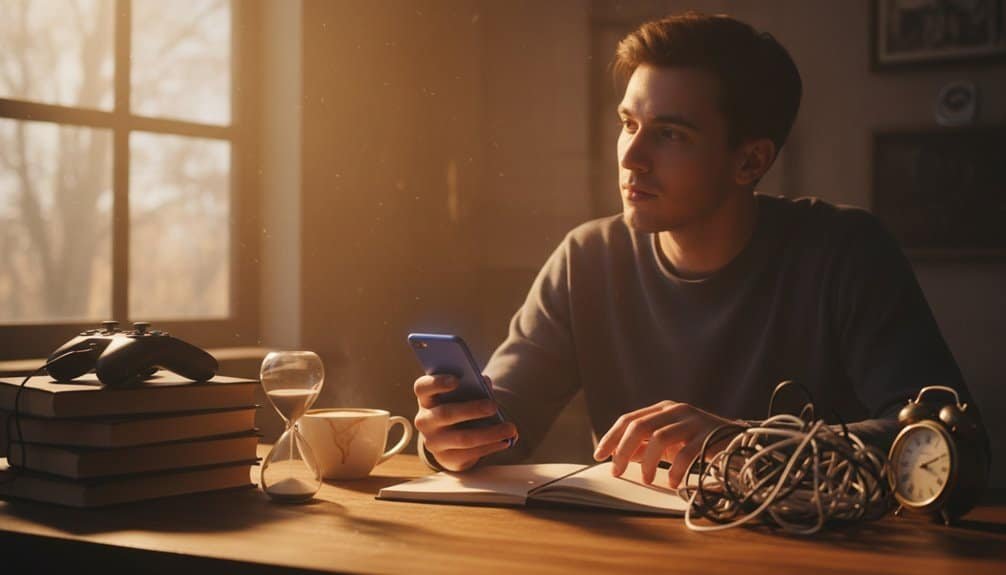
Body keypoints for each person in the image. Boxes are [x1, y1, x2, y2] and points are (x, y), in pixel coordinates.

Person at [411, 11, 987, 487]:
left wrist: (743, 441)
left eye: (670, 134)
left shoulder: (845, 252)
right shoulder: (587, 258)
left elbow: (952, 446)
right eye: (628, 123)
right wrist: (452, 440)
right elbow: (502, 427)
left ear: (750, 161)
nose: (631, 158)